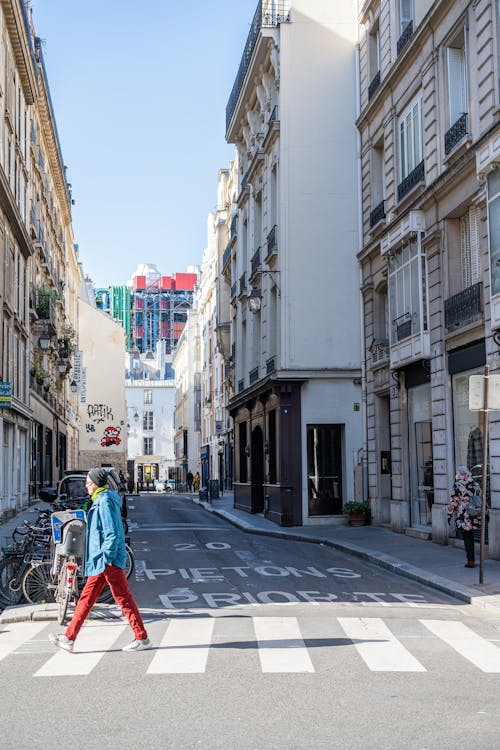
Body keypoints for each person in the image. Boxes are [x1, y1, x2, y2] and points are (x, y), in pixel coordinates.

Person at [49, 467, 150, 653]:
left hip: (106, 561)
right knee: (91, 599)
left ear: (96, 484)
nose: (86, 486)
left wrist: (106, 558)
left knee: (118, 598)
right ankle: (69, 638)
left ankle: (141, 637)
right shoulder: (101, 500)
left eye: (88, 483)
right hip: (102, 560)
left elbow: (111, 532)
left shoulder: (104, 502)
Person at [447, 466, 482, 568]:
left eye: (458, 473)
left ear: (461, 474)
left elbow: (454, 502)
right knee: (472, 536)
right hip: (475, 513)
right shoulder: (475, 484)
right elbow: (480, 497)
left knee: (467, 537)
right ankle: (472, 559)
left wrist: (449, 516)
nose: (456, 474)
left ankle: (470, 560)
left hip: (464, 515)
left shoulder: (458, 485)